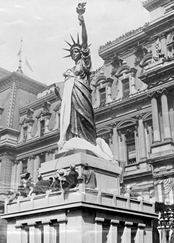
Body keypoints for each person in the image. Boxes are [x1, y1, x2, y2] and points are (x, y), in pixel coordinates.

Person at [58, 5, 96, 149]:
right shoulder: (70, 71)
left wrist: (83, 21)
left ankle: (88, 144)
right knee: (73, 119)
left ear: (81, 52)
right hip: (74, 99)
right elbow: (66, 99)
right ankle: (75, 140)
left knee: (86, 120)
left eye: (77, 50)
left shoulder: (84, 62)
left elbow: (85, 41)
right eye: (72, 51)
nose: (74, 53)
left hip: (83, 95)